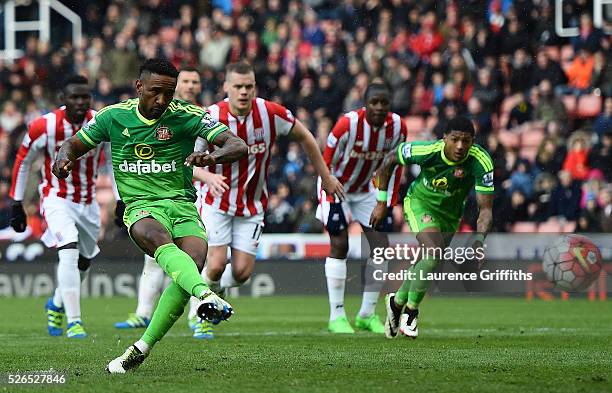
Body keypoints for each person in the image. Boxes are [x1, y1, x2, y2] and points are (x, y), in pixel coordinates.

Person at [52, 58, 247, 373]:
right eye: (155, 92)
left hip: (182, 204)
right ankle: (205, 295)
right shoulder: (113, 117)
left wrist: (212, 157)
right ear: (139, 87)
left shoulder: (188, 116)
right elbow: (72, 146)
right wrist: (62, 160)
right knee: (157, 239)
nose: (162, 101)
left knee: (194, 263)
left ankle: (140, 349)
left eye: (168, 94)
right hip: (141, 206)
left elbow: (237, 146)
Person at [187, 61, 344, 339]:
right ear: (226, 87)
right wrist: (207, 177)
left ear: (255, 87)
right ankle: (200, 313)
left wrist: (327, 176)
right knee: (215, 263)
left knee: (243, 273)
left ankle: (212, 292)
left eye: (249, 86)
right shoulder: (210, 116)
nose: (244, 92)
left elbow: (306, 137)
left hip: (252, 205)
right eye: (238, 86)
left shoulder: (270, 113)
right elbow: (189, 162)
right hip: (216, 201)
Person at [113, 67, 229, 331]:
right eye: (185, 80)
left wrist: (206, 174)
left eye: (194, 81)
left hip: (191, 197)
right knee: (155, 257)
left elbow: (192, 159)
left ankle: (197, 315)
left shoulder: (199, 117)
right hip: (156, 196)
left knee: (193, 258)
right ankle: (143, 313)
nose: (189, 85)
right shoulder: (143, 115)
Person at [370, 116, 494, 339]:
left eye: (466, 141)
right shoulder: (426, 151)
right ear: (444, 138)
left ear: (473, 141)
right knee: (433, 253)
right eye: (455, 139)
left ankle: (396, 302)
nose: (460, 146)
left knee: (428, 262)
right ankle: (410, 314)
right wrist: (381, 202)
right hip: (419, 203)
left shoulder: (481, 162)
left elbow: (485, 209)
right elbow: (389, 160)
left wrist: (479, 241)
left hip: (451, 215)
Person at [9, 74, 109, 339]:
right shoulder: (45, 126)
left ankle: (56, 303)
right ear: (63, 100)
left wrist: (121, 200)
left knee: (85, 261)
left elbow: (114, 162)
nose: (79, 102)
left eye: (84, 97)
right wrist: (17, 202)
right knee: (69, 249)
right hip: (56, 198)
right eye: (74, 97)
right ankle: (74, 322)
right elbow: (23, 160)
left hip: (88, 202)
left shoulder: (101, 123)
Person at [317, 82, 407, 334]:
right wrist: (329, 187)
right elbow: (325, 161)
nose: (379, 107)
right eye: (374, 102)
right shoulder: (347, 125)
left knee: (381, 247)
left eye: (384, 103)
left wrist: (385, 202)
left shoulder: (398, 127)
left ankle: (367, 314)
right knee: (340, 243)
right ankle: (336, 316)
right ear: (365, 103)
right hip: (336, 183)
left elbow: (395, 166)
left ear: (390, 105)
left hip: (368, 188)